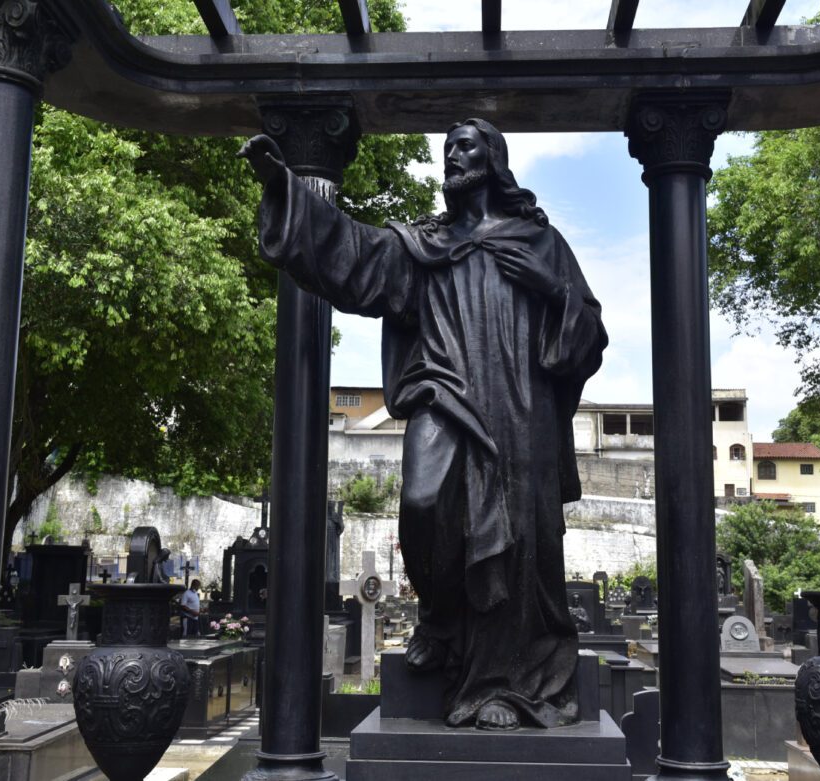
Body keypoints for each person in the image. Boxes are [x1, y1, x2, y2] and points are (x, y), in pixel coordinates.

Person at [239, 118, 607, 730]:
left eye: (464, 146)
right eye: (447, 149)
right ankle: (440, 617)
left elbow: (589, 334)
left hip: (523, 415)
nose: (452, 157)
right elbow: (354, 253)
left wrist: (552, 289)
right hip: (446, 395)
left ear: (493, 158)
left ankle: (502, 682)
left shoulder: (541, 244)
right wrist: (287, 191)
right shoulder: (424, 244)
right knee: (424, 501)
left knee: (519, 544)